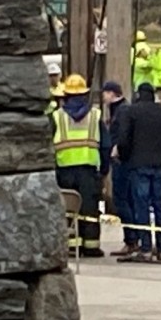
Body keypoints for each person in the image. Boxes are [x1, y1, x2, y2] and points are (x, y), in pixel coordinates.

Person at [115, 82, 161, 264]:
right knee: (159, 206)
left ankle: (145, 248)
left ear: (138, 95)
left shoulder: (131, 112)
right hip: (159, 166)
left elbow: (123, 139)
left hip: (138, 166)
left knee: (141, 206)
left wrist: (126, 158)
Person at [51, 74, 105, 258]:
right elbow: (105, 145)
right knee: (89, 210)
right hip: (89, 171)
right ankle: (91, 247)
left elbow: (48, 146)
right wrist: (104, 170)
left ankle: (71, 247)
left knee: (67, 209)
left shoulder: (57, 117)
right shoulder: (95, 115)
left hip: (64, 171)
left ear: (65, 95)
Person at [100, 81, 139, 257]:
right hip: (125, 161)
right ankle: (133, 239)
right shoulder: (120, 109)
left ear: (113, 93)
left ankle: (131, 240)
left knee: (122, 200)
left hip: (122, 162)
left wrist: (116, 150)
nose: (103, 97)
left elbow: (123, 135)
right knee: (127, 200)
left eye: (105, 93)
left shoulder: (122, 111)